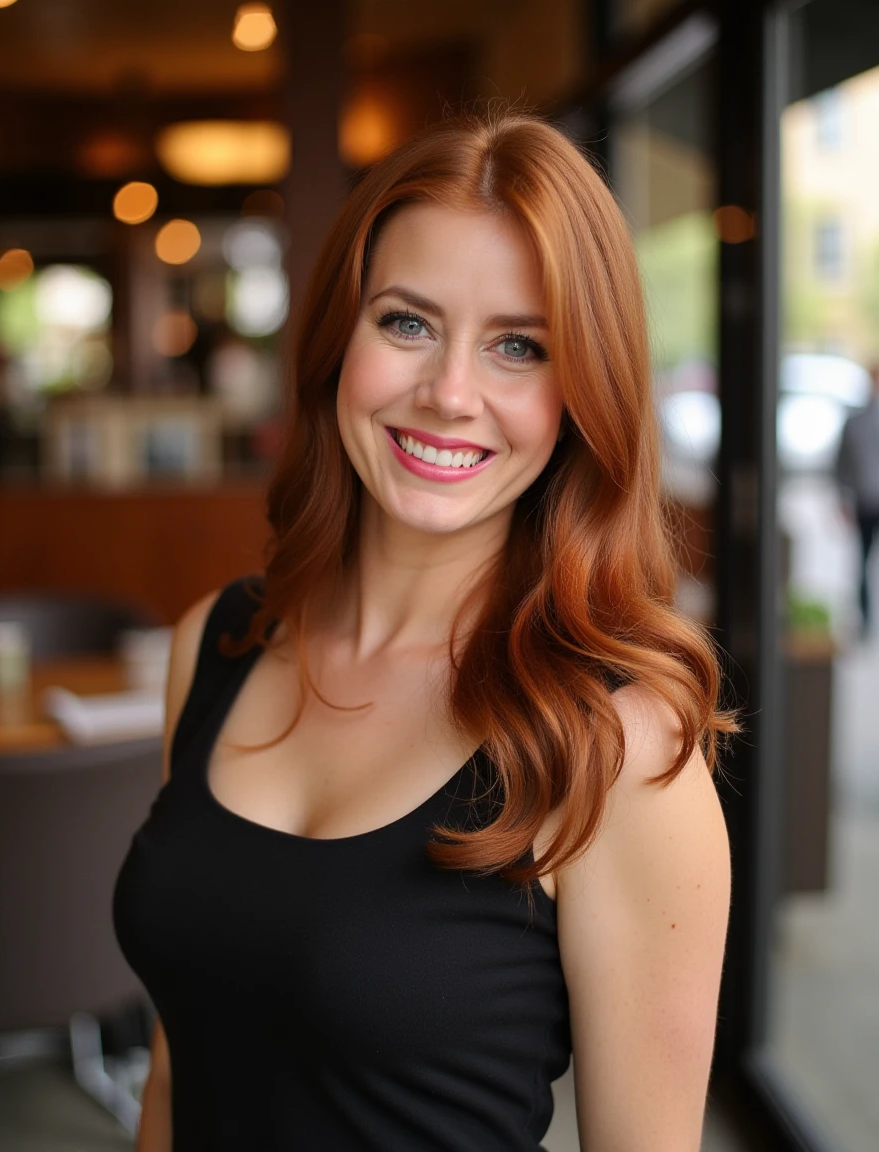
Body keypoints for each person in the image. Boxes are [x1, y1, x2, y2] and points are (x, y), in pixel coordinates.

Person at [114, 110, 734, 1152]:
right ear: (337, 340)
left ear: (584, 393)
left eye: (518, 346)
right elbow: (176, 1075)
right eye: (406, 322)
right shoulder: (214, 644)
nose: (449, 393)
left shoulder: (620, 745)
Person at [836, 364, 879, 635]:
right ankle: (865, 619)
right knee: (862, 562)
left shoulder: (856, 420)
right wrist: (843, 496)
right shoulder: (855, 420)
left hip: (865, 497)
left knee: (863, 562)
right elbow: (842, 463)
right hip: (865, 500)